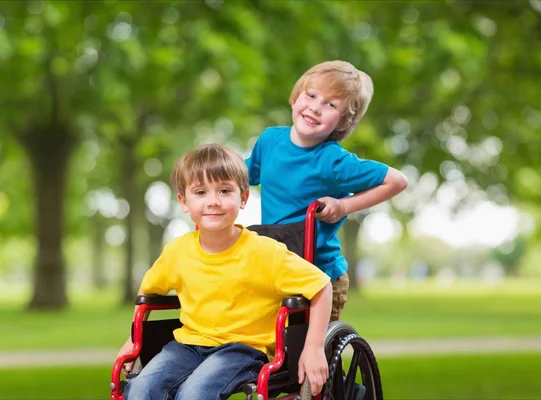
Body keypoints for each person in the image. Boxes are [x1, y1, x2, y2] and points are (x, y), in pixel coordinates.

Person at [116, 144, 333, 399]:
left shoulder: (265, 252)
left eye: (224, 190)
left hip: (242, 349)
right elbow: (148, 291)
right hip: (187, 345)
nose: (213, 201)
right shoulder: (177, 252)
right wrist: (134, 339)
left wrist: (314, 347)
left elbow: (321, 287)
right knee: (140, 389)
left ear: (242, 198)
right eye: (200, 192)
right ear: (184, 201)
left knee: (194, 393)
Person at [246, 60, 408, 322]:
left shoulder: (333, 161)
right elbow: (242, 175)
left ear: (343, 121)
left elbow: (397, 181)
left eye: (330, 105)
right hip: (277, 268)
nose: (315, 108)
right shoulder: (269, 141)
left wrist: (343, 206)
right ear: (297, 95)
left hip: (320, 275)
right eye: (311, 95)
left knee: (310, 353)